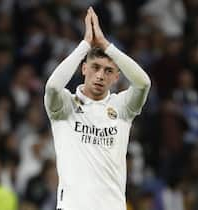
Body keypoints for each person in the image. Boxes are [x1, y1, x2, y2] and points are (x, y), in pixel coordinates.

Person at [44, 7, 151, 210]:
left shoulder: (122, 107)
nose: (101, 75)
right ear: (84, 68)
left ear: (116, 77)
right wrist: (85, 45)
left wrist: (106, 46)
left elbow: (143, 83)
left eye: (108, 70)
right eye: (95, 67)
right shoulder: (65, 106)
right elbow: (52, 86)